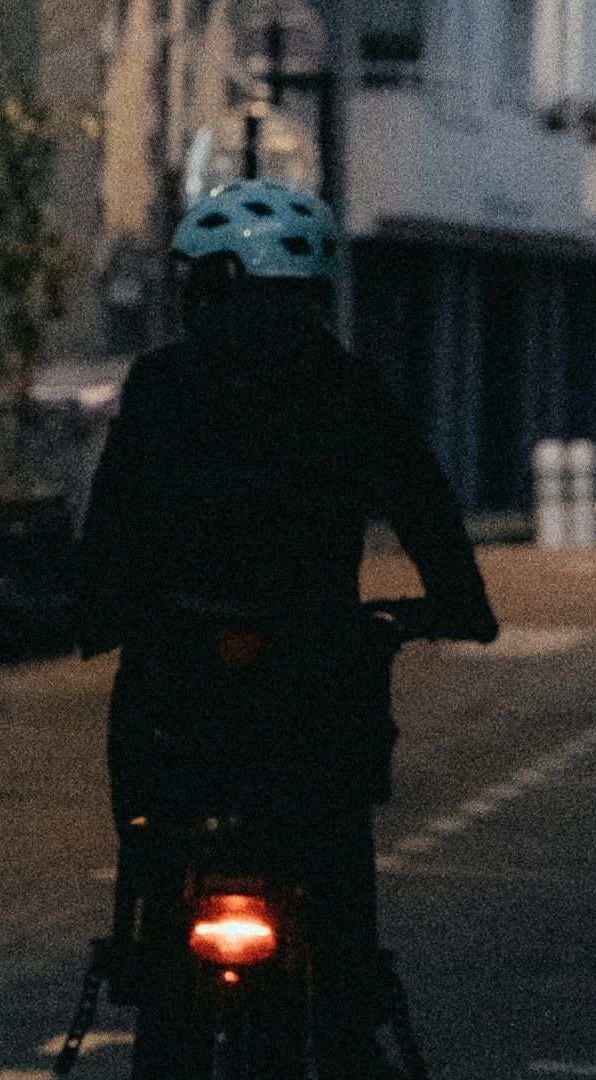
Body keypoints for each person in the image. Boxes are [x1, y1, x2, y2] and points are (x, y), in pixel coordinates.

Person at [71, 180, 499, 1078]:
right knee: (336, 848)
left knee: (152, 816)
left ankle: (148, 946)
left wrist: (99, 612)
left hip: (176, 678)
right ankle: (343, 1018)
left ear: (219, 282)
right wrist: (459, 608)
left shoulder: (163, 381)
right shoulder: (347, 387)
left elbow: (112, 521)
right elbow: (425, 509)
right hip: (313, 680)